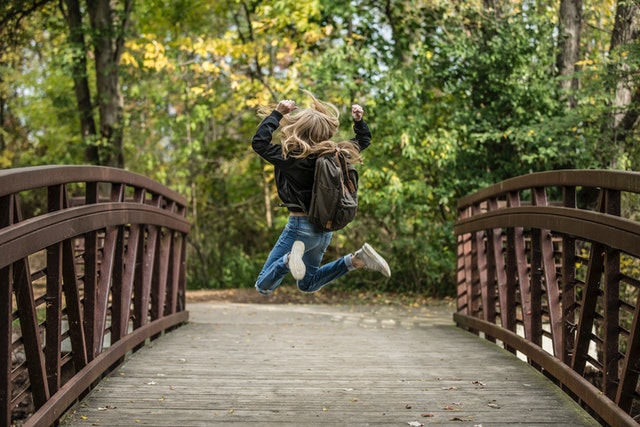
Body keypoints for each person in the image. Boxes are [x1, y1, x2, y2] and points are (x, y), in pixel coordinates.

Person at [251, 90, 391, 296]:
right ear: (325, 131)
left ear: (299, 128)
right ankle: (356, 260)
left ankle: (289, 260)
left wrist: (277, 113)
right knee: (308, 284)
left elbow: (259, 143)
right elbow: (363, 140)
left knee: (263, 286)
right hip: (324, 230)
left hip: (299, 229)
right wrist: (359, 122)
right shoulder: (337, 154)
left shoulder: (291, 157)